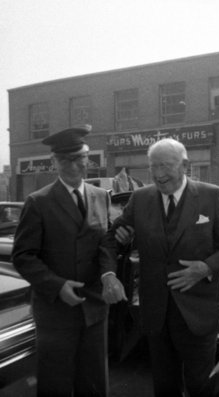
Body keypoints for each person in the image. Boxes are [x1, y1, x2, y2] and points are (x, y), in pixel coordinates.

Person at [105, 138, 219, 397]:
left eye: (166, 166)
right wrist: (114, 263)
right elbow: (113, 239)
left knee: (200, 385)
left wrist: (205, 267)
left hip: (198, 311)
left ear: (185, 165)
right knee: (164, 385)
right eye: (153, 167)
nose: (159, 174)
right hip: (156, 312)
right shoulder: (140, 198)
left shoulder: (211, 196)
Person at [12, 126, 127, 397]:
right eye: (65, 160)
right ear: (55, 163)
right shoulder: (38, 202)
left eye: (79, 159)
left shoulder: (101, 197)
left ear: (88, 160)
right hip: (55, 312)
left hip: (94, 307)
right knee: (56, 384)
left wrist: (109, 275)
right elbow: (23, 256)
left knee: (94, 383)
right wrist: (56, 284)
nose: (73, 166)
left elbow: (105, 244)